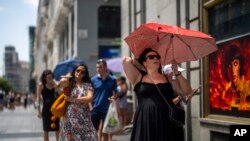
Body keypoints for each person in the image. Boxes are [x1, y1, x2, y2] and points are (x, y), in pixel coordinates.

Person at [122, 48, 193, 141]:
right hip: (146, 119)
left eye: (157, 57)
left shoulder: (168, 78)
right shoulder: (139, 77)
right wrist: (143, 68)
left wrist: (177, 72)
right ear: (144, 62)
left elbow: (186, 91)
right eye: (151, 57)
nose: (155, 59)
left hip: (167, 121)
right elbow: (125, 60)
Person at [59, 64, 98, 141]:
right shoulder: (69, 84)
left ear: (85, 74)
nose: (79, 73)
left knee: (90, 137)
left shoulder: (87, 85)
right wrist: (69, 74)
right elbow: (62, 82)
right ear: (74, 71)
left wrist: (73, 99)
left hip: (84, 116)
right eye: (78, 70)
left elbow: (89, 98)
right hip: (70, 117)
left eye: (82, 72)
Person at [91, 59, 117, 141]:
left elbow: (116, 92)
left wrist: (114, 97)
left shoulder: (112, 79)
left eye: (100, 67)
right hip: (95, 108)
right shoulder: (93, 79)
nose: (98, 69)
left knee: (105, 131)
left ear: (105, 67)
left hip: (107, 109)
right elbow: (89, 94)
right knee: (94, 131)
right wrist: (90, 106)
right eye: (97, 67)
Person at [221, 45, 250, 110]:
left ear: (240, 65)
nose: (232, 70)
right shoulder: (227, 92)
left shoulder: (248, 87)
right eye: (229, 66)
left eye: (235, 64)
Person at [37, 70, 59, 141]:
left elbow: (61, 93)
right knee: (46, 129)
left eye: (51, 77)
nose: (50, 79)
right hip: (46, 109)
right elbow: (38, 99)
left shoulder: (54, 84)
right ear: (45, 78)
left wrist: (55, 86)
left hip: (55, 109)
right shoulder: (41, 85)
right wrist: (38, 111)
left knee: (57, 128)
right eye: (49, 78)